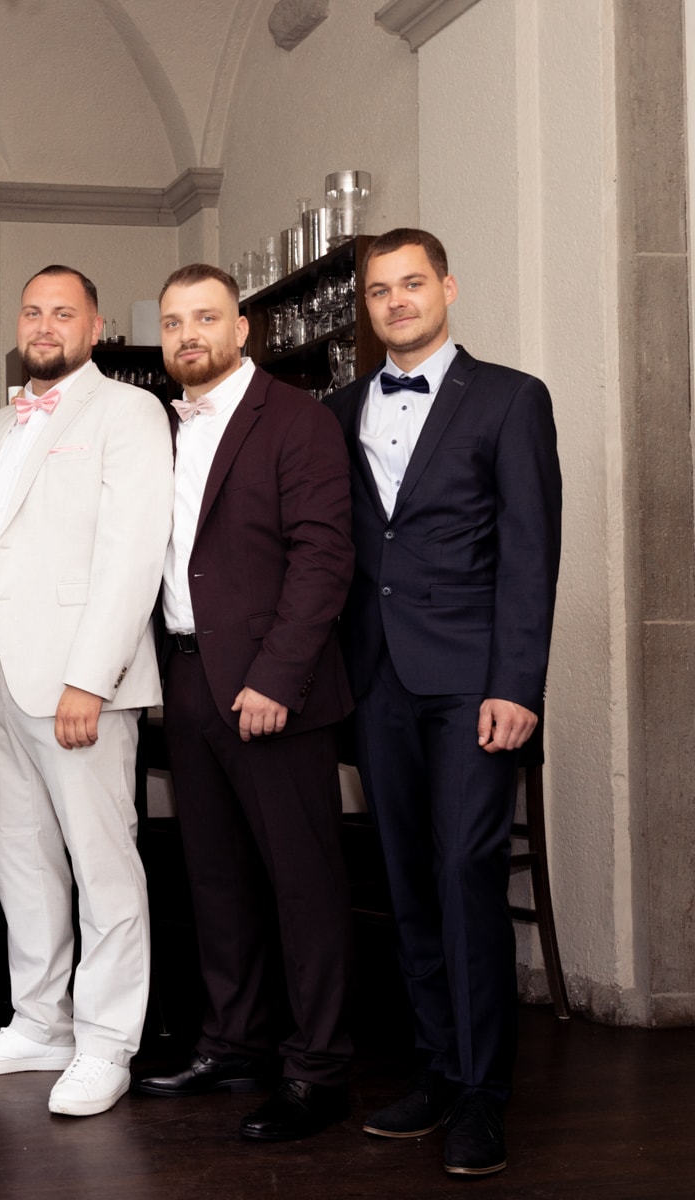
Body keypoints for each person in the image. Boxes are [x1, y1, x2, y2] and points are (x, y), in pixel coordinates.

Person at [325, 229, 562, 1177]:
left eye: (412, 284)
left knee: (466, 873)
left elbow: (532, 553)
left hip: (473, 681)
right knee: (407, 879)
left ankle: (482, 1095)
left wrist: (519, 684)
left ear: (447, 288)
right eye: (380, 290)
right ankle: (435, 1066)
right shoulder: (339, 408)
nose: (396, 302)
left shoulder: (509, 398)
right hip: (377, 678)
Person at [135, 263, 355, 1142]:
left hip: (273, 687)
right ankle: (234, 1042)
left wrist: (276, 676)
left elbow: (323, 559)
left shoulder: (297, 420)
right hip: (186, 680)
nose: (189, 335)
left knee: (302, 885)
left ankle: (320, 1067)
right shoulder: (161, 429)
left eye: (206, 318)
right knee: (215, 878)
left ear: (243, 331)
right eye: (174, 321)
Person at [0, 265, 172, 1118]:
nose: (45, 325)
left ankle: (108, 1041)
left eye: (63, 312)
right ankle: (41, 1020)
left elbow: (132, 550)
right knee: (21, 857)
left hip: (80, 680)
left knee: (103, 863)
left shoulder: (129, 412)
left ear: (96, 325)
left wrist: (92, 677)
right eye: (33, 311)